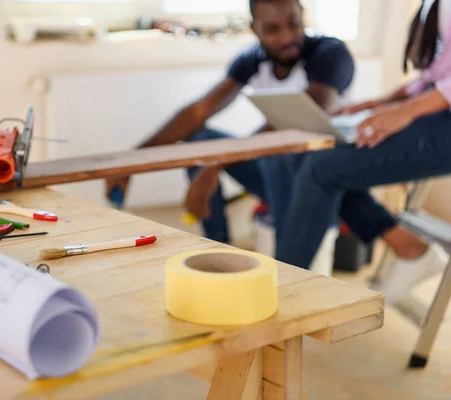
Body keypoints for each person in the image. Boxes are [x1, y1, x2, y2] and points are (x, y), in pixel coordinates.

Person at [105, 0, 355, 244]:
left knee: (279, 155)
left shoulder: (331, 55)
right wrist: (132, 161)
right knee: (199, 140)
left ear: (302, 14)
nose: (287, 37)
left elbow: (300, 118)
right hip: (273, 176)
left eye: (293, 24)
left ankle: (288, 255)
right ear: (254, 29)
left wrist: (214, 165)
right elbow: (198, 113)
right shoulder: (253, 60)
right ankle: (217, 248)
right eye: (272, 29)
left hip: (319, 186)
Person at [275, 0, 451, 304]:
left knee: (322, 169)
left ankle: (280, 294)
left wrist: (407, 111)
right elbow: (437, 74)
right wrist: (380, 103)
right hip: (435, 107)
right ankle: (407, 246)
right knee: (307, 154)